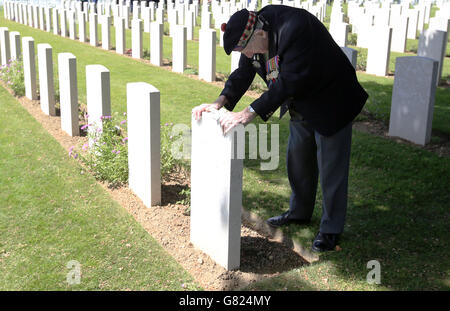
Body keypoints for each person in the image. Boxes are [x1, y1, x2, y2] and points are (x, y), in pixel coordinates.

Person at [191, 5, 368, 252]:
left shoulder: (295, 28)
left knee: (331, 167)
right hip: (301, 101)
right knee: (297, 158)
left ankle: (330, 229)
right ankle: (299, 212)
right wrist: (220, 102)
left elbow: (289, 82)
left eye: (246, 49)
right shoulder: (254, 31)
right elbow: (244, 72)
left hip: (331, 99)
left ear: (260, 35)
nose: (248, 55)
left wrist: (247, 113)